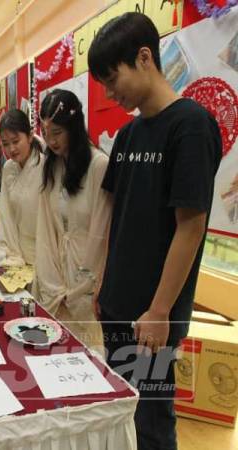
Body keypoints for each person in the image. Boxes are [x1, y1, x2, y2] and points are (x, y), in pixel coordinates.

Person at [88, 12, 222, 450]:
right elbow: (117, 218)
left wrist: (160, 310)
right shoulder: (127, 137)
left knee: (150, 422)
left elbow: (191, 225)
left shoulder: (191, 126)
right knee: (122, 411)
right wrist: (104, 284)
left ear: (144, 57)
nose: (110, 94)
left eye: (113, 79)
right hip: (118, 306)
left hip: (152, 316)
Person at [32, 89, 110, 352]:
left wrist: (85, 285)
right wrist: (51, 281)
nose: (51, 141)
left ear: (74, 128)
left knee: (89, 350)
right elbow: (46, 228)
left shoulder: (98, 165)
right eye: (46, 134)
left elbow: (103, 232)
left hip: (87, 274)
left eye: (58, 133)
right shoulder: (51, 167)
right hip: (56, 272)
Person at [0, 109, 44, 266]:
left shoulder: (45, 166)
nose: (11, 149)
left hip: (43, 252)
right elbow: (6, 214)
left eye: (16, 141)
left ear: (29, 137)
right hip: (16, 251)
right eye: (5, 144)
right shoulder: (9, 167)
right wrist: (8, 254)